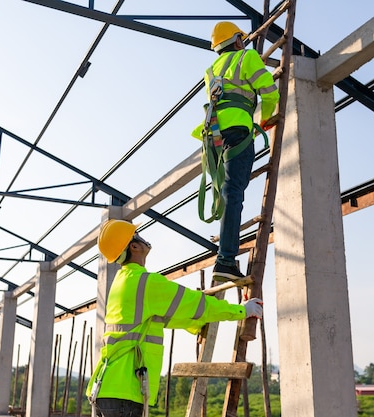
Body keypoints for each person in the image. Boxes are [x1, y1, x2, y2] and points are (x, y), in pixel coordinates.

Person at [86, 219, 263, 417]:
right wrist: (242, 311)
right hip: (123, 393)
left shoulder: (122, 283)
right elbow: (196, 304)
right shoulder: (146, 283)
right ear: (134, 246)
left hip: (106, 388)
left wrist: (196, 325)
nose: (144, 239)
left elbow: (160, 319)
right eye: (138, 235)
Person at [192, 21, 279, 282]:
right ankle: (226, 259)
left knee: (226, 191)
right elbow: (270, 94)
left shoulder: (211, 69)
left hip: (214, 134)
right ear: (238, 41)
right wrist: (263, 120)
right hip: (239, 131)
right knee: (233, 193)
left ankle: (225, 257)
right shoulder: (247, 56)